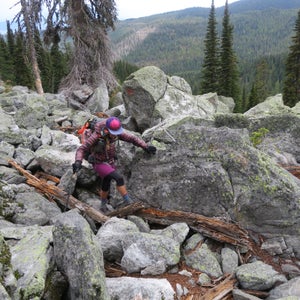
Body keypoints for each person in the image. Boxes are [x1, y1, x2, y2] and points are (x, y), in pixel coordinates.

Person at [72, 116, 156, 213]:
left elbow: (132, 138)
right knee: (119, 178)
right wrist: (78, 162)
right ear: (107, 130)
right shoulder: (96, 136)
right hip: (98, 163)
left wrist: (146, 147)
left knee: (106, 182)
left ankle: (103, 205)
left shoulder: (116, 133)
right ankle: (129, 203)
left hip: (110, 162)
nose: (115, 135)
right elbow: (82, 149)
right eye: (113, 133)